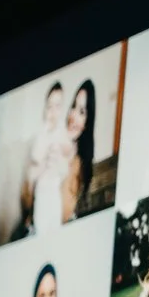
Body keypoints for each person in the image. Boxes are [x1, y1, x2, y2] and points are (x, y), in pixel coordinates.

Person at [22, 81, 71, 237]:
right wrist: (46, 143)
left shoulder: (62, 132)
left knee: (54, 224)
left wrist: (62, 149)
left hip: (55, 189)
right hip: (42, 188)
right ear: (45, 109)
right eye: (49, 106)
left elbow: (68, 151)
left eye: (57, 106)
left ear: (62, 109)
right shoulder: (42, 133)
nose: (53, 112)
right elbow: (36, 157)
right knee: (41, 224)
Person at [63, 79, 99, 220]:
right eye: (73, 106)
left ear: (87, 123)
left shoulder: (79, 164)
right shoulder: (54, 146)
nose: (73, 115)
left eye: (82, 111)